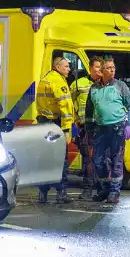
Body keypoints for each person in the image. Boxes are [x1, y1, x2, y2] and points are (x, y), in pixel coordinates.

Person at [87, 57, 130, 204]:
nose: (112, 70)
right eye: (109, 68)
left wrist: (129, 124)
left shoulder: (120, 86)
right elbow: (89, 111)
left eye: (113, 67)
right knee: (98, 161)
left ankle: (114, 192)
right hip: (100, 129)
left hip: (117, 128)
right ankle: (105, 189)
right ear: (101, 71)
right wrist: (88, 130)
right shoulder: (94, 88)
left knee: (117, 161)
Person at [35, 55, 75, 204]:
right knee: (60, 159)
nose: (69, 69)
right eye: (66, 66)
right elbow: (66, 108)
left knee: (44, 159)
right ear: (58, 67)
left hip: (43, 123)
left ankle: (42, 192)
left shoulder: (45, 79)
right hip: (56, 125)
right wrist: (66, 129)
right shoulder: (58, 81)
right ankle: (61, 193)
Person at [77, 56, 103, 200]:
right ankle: (87, 189)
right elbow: (70, 102)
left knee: (102, 159)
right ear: (90, 68)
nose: (99, 70)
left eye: (101, 67)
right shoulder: (79, 84)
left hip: (102, 127)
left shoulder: (106, 85)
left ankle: (101, 189)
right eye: (97, 67)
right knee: (88, 159)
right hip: (85, 126)